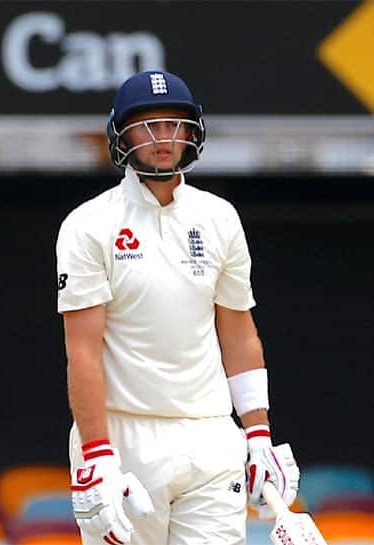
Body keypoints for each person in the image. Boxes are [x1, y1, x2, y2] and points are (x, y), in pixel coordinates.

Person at [57, 70, 301, 545]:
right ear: (121, 134)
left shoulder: (219, 217)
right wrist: (97, 455)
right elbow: (82, 351)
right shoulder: (88, 225)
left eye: (173, 124)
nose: (161, 138)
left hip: (211, 436)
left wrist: (258, 434)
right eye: (146, 125)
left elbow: (238, 332)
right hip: (126, 438)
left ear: (191, 132)